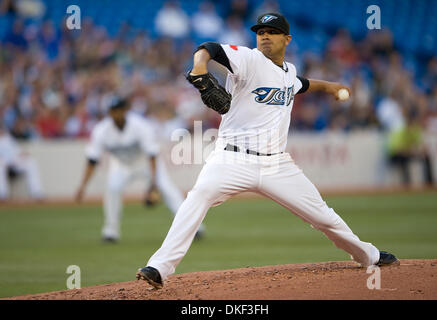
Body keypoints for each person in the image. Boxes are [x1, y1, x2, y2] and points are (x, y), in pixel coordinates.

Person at [137, 13, 399, 289]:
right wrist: (200, 66)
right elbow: (210, 48)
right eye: (260, 31)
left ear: (287, 39)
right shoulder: (249, 59)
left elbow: (301, 83)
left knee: (323, 215)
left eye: (272, 32)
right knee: (196, 198)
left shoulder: (288, 72)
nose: (264, 35)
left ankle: (367, 254)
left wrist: (330, 86)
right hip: (231, 159)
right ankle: (159, 267)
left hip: (277, 165)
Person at [75, 98, 203, 243]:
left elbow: (152, 154)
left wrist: (153, 184)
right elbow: (92, 160)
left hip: (146, 163)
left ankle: (194, 227)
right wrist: (82, 187)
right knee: (112, 188)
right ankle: (110, 232)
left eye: (118, 110)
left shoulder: (140, 126)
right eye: (113, 111)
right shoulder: (102, 130)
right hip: (121, 165)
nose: (116, 114)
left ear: (125, 110)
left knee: (168, 189)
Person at [0, 126, 43, 201]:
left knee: (30, 162)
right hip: (3, 161)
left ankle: (36, 192)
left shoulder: (8, 138)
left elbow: (16, 151)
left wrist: (22, 154)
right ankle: (2, 194)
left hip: (14, 160)